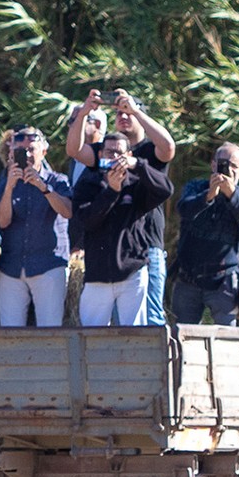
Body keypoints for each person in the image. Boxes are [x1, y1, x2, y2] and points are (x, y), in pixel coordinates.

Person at [66, 89, 176, 325]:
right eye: (119, 113)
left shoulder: (148, 149)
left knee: (151, 320)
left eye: (128, 113)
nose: (123, 117)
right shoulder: (106, 149)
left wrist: (134, 109)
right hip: (109, 250)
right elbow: (74, 151)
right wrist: (84, 112)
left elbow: (168, 148)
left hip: (147, 245)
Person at [0, 126, 73, 327]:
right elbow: (2, 222)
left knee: (50, 330)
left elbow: (68, 212)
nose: (26, 155)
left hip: (49, 265)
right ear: (11, 154)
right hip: (12, 266)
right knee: (10, 333)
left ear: (43, 152)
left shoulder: (58, 180)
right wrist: (9, 187)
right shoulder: (4, 183)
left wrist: (43, 187)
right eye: (21, 150)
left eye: (31, 150)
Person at [171, 142, 239, 325]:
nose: (227, 169)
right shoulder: (196, 187)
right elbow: (184, 209)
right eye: (223, 163)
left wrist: (231, 194)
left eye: (233, 166)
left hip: (224, 281)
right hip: (189, 278)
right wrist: (209, 195)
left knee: (227, 339)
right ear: (213, 165)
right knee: (181, 338)